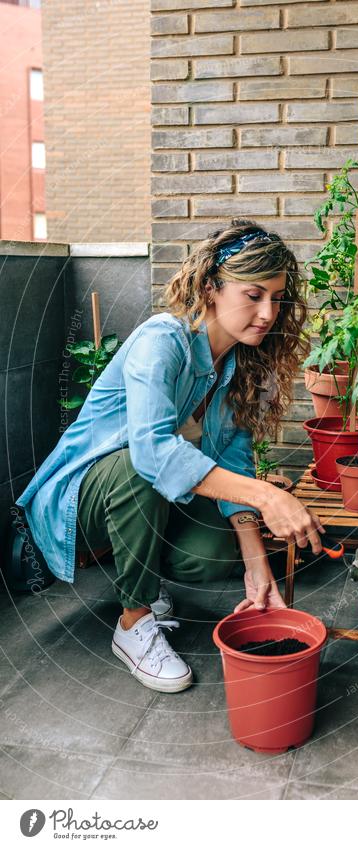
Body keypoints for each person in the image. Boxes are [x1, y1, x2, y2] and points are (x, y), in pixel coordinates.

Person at [16, 219, 325, 694]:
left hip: (146, 505)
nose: (268, 312)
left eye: (277, 297)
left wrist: (256, 567)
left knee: (215, 550)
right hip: (77, 507)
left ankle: (140, 571)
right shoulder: (162, 341)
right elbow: (153, 453)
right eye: (253, 294)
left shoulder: (238, 365)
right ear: (210, 289)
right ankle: (133, 623)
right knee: (143, 468)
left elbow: (236, 461)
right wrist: (268, 497)